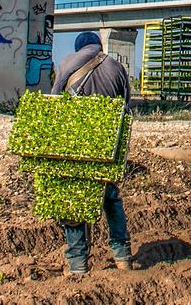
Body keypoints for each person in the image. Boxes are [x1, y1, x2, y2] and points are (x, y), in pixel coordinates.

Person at [51, 31, 134, 275]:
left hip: (76, 147)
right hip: (107, 148)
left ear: (79, 49)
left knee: (74, 203)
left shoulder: (68, 63)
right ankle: (123, 256)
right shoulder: (116, 67)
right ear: (98, 46)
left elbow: (55, 102)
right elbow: (125, 109)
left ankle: (78, 265)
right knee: (111, 200)